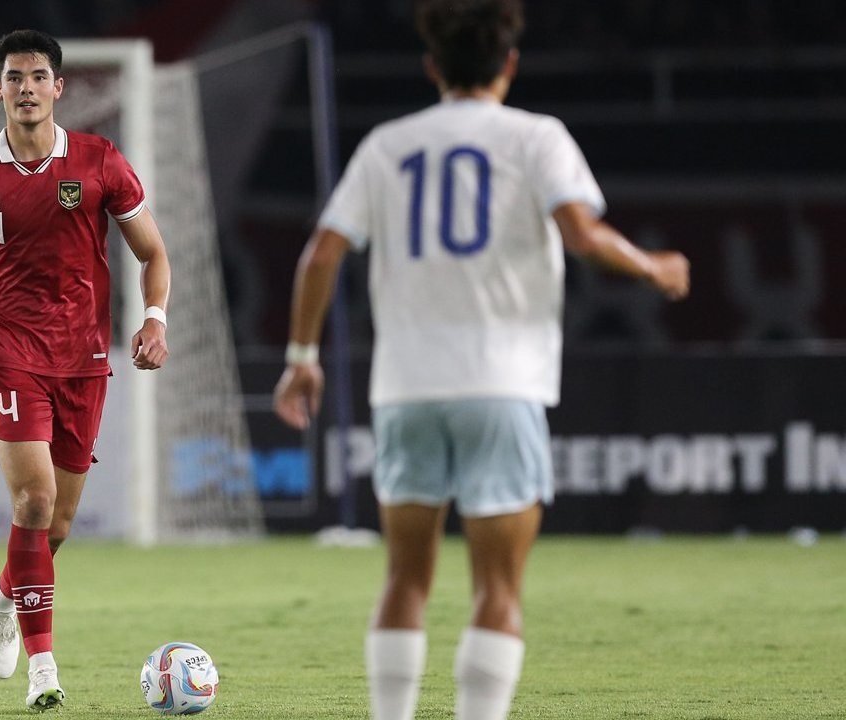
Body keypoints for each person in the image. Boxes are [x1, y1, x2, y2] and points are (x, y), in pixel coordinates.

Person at [273, 2, 690, 719]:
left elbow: (321, 253)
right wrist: (655, 268)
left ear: (432, 66)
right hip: (501, 382)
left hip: (406, 388)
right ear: (510, 64)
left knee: (405, 579)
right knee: (497, 586)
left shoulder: (388, 144)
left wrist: (302, 356)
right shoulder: (536, 137)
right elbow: (582, 234)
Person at [0, 29, 171, 711]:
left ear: (59, 87)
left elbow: (152, 252)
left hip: (83, 360)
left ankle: (2, 594)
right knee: (32, 502)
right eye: (15, 78)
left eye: (39, 77)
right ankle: (43, 670)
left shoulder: (100, 161)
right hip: (8, 355)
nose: (28, 88)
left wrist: (155, 319)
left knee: (56, 528)